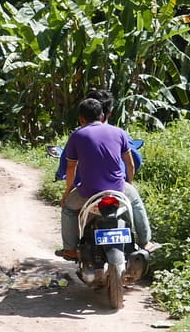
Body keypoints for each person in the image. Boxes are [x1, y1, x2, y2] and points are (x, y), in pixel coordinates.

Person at [57, 97, 152, 261]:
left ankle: (70, 250)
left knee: (68, 209)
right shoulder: (119, 132)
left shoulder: (77, 135)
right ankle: (145, 242)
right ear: (102, 115)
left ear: (81, 118)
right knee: (135, 202)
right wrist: (128, 183)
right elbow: (130, 165)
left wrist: (67, 192)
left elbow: (71, 168)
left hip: (88, 192)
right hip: (118, 188)